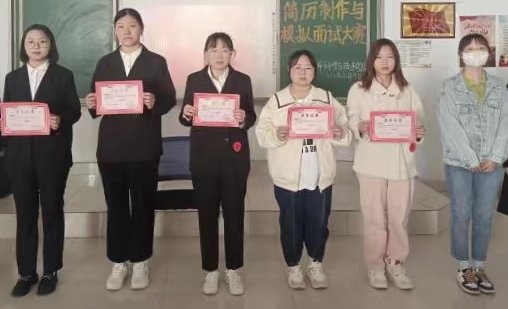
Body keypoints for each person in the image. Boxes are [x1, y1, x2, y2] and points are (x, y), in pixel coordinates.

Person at [85, 8, 176, 292]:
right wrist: (91, 103)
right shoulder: (105, 62)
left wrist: (154, 101)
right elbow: (95, 101)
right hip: (111, 148)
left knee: (143, 204)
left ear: (141, 29)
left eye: (132, 26)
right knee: (116, 206)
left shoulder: (156, 62)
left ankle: (140, 261)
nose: (126, 31)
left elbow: (169, 98)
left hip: (144, 146)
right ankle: (118, 261)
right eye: (121, 26)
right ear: (114, 31)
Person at [0, 24, 81, 297]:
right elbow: (9, 113)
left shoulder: (63, 75)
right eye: (30, 41)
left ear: (50, 45)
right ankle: (26, 273)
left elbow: (75, 111)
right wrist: (1, 125)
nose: (36, 46)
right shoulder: (13, 78)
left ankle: (50, 271)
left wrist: (60, 120)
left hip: (53, 155)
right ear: (24, 46)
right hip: (19, 157)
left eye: (42, 41)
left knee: (52, 211)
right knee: (25, 214)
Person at [256, 50, 351, 291]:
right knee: (291, 223)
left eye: (308, 68)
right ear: (289, 71)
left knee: (319, 223)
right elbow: (262, 133)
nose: (303, 72)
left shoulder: (326, 98)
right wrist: (276, 134)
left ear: (314, 72)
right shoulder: (277, 101)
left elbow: (345, 126)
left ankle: (315, 264)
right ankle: (294, 266)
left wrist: (340, 131)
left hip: (320, 174)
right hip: (288, 176)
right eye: (298, 67)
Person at [179, 33, 256, 296]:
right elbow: (186, 116)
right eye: (214, 50)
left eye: (225, 50)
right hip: (204, 158)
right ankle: (210, 270)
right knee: (207, 216)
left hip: (234, 159)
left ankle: (233, 269)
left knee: (234, 215)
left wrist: (244, 118)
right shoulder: (194, 79)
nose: (219, 55)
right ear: (205, 55)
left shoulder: (242, 80)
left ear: (232, 54)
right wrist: (186, 113)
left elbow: (251, 115)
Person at [347, 39, 425, 291]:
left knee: (399, 217)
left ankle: (396, 262)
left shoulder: (407, 90)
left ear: (396, 61)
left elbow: (418, 124)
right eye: (379, 57)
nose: (384, 62)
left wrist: (419, 132)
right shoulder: (359, 89)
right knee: (374, 217)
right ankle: (375, 264)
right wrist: (359, 126)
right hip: (371, 163)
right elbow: (351, 119)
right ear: (371, 60)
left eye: (390, 57)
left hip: (401, 164)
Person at [438, 33, 508, 295]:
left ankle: (478, 265)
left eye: (480, 48)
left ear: (488, 53)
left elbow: (506, 124)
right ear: (460, 55)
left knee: (484, 215)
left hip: (492, 163)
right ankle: (463, 266)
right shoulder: (449, 87)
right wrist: (470, 158)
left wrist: (497, 156)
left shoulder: (500, 87)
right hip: (459, 163)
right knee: (461, 213)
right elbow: (449, 125)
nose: (476, 52)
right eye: (470, 49)